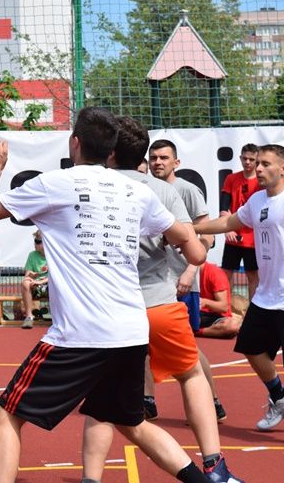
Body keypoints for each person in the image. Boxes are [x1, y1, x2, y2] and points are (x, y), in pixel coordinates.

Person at [0, 107, 212, 483]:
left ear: (76, 143)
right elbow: (188, 241)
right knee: (131, 423)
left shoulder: (56, 183)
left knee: (7, 413)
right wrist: (194, 249)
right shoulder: (137, 191)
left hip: (81, 335)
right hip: (131, 332)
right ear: (112, 151)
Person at [82, 118, 241, 483]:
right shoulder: (162, 192)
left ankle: (91, 478)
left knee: (102, 398)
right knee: (192, 376)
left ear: (108, 153)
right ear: (144, 155)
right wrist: (186, 244)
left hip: (108, 308)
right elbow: (196, 252)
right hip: (157, 302)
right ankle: (214, 465)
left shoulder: (90, 186)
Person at [196, 143, 284, 450]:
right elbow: (229, 223)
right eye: (259, 164)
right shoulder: (257, 201)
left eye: (266, 164)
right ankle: (280, 398)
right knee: (251, 348)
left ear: (282, 168)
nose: (260, 169)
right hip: (267, 296)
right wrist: (191, 227)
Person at [148, 139, 226, 423]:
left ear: (176, 162)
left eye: (164, 158)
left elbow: (206, 235)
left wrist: (191, 271)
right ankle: (146, 401)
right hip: (153, 282)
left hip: (182, 280)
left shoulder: (187, 191)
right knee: (141, 342)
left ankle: (212, 400)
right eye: (154, 157)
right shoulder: (145, 189)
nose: (158, 162)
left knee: (188, 350)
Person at [219, 143, 284, 299]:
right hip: (234, 235)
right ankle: (227, 311)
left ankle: (252, 308)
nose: (249, 163)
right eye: (245, 159)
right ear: (240, 159)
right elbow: (224, 209)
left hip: (253, 239)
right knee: (225, 273)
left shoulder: (270, 183)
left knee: (253, 275)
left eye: (253, 160)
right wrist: (227, 229)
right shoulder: (232, 178)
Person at [196, 262, 242, 339]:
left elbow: (223, 307)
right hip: (192, 314)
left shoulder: (214, 273)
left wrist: (205, 302)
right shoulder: (181, 271)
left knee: (232, 326)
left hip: (214, 316)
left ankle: (196, 332)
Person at [20, 230, 48, 329]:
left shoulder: (54, 254)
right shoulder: (32, 255)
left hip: (50, 286)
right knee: (25, 282)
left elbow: (56, 277)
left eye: (38, 241)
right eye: (35, 241)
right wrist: (31, 276)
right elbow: (27, 274)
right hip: (36, 285)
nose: (35, 243)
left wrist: (40, 281)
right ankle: (29, 316)